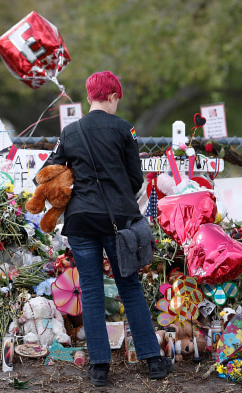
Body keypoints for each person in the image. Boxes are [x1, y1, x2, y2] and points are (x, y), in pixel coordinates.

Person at [50, 71, 173, 386]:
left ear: (90, 96)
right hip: (118, 222)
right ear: (114, 96)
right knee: (129, 287)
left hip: (80, 220)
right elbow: (135, 177)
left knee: (90, 291)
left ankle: (100, 368)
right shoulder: (124, 129)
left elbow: (51, 171)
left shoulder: (71, 131)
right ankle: (154, 362)